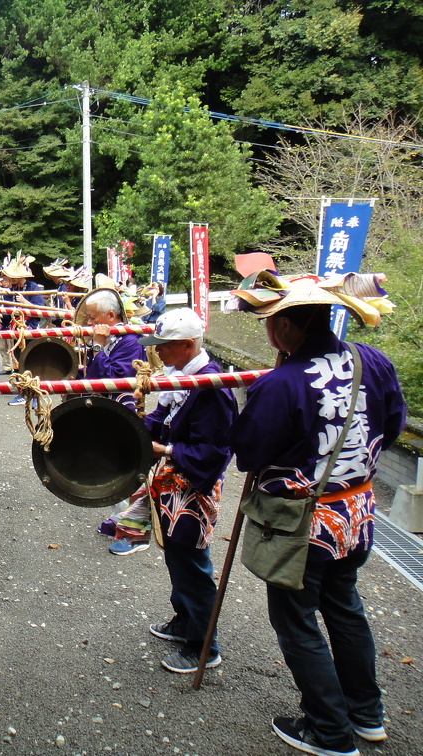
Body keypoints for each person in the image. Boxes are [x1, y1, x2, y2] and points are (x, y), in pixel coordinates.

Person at [228, 274, 406, 756]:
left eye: (270, 323)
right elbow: (392, 428)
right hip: (357, 512)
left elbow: (249, 453)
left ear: (286, 326)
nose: (269, 332)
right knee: (344, 607)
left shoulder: (281, 383)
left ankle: (329, 730)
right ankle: (366, 713)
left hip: (304, 525)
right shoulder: (372, 360)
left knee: (297, 619)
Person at [136, 307, 237, 674]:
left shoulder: (212, 387)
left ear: (188, 345)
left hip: (195, 487)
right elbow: (162, 421)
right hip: (173, 483)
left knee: (193, 564)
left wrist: (165, 450)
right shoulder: (179, 376)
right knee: (177, 557)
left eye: (165, 345)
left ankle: (204, 645)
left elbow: (215, 452)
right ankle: (185, 621)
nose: (158, 351)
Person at [77, 286, 148, 555]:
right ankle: (121, 518)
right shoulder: (115, 338)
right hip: (108, 412)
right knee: (111, 466)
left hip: (122, 411)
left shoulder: (130, 341)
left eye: (93, 317)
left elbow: (112, 379)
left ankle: (136, 533)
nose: (90, 322)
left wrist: (98, 346)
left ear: (110, 316)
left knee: (126, 468)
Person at [0, 255, 45, 404]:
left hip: (30, 329)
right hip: (16, 330)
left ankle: (35, 395)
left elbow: (41, 310)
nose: (10, 280)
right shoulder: (11, 290)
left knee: (32, 361)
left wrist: (25, 302)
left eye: (12, 277)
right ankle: (22, 393)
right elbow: (8, 312)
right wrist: (1, 315)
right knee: (19, 362)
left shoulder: (33, 288)